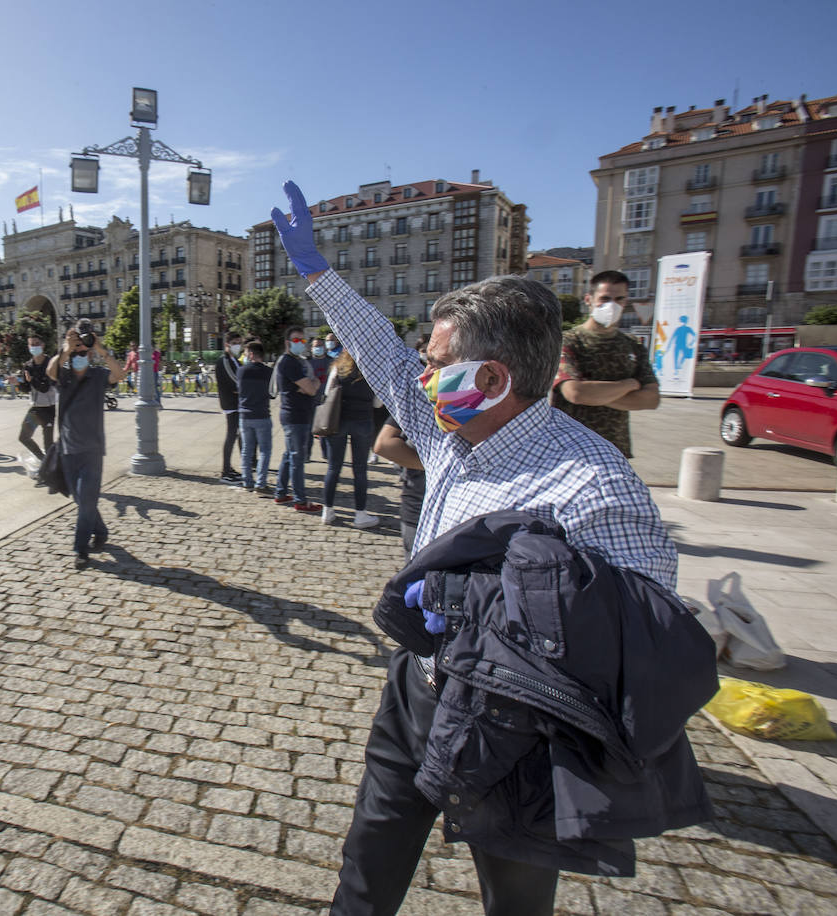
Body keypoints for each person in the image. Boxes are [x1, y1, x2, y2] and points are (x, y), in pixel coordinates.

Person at [271, 180, 682, 916]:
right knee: (367, 862)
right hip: (418, 689)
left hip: (515, 732)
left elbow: (644, 634)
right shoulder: (447, 431)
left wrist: (493, 606)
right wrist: (315, 272)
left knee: (515, 898)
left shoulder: (593, 486)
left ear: (492, 378)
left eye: (437, 364)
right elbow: (383, 358)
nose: (420, 379)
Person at [551, 270, 660, 457]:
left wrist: (595, 394)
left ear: (626, 302)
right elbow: (575, 393)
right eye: (605, 298)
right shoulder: (568, 342)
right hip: (570, 448)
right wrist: (629, 384)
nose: (612, 305)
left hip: (615, 449)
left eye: (619, 299)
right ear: (589, 299)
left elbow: (652, 399)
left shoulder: (632, 346)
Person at [47, 320, 127, 569]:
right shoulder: (65, 374)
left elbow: (120, 374)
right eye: (78, 351)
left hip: (92, 449)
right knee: (81, 500)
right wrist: (65, 349)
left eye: (85, 351)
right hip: (68, 450)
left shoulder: (98, 375)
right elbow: (50, 371)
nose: (81, 354)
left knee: (87, 501)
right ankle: (101, 531)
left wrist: (101, 350)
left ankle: (81, 549)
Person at [319, 347, 379, 528]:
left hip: (338, 421)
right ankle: (360, 514)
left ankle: (327, 511)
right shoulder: (372, 370)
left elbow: (328, 394)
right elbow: (378, 403)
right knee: (360, 470)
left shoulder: (338, 368)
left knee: (333, 468)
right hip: (362, 421)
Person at [272, 325, 322, 512]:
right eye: (296, 340)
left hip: (298, 414)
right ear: (287, 343)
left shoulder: (297, 361)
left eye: (303, 340)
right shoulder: (289, 363)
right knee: (297, 459)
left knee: (289, 455)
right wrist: (310, 385)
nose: (301, 344)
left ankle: (281, 492)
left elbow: (312, 384)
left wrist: (310, 385)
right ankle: (300, 500)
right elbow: (312, 387)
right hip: (295, 416)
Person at [374, 418, 426, 556]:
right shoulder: (420, 401)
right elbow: (384, 444)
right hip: (418, 509)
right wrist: (438, 467)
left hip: (417, 507)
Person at [237, 339, 274, 494]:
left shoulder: (241, 371)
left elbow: (240, 390)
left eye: (245, 353)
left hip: (245, 415)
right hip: (262, 414)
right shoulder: (268, 372)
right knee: (264, 450)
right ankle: (261, 482)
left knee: (247, 450)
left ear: (251, 354)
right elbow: (272, 393)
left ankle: (247, 481)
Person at [19, 334, 57, 465]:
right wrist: (17, 383)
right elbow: (26, 388)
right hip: (35, 409)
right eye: (31, 344)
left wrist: (32, 380)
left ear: (43, 345)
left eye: (36, 343)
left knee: (49, 444)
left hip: (48, 409)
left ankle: (49, 469)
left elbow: (45, 387)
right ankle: (44, 463)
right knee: (24, 437)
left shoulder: (50, 364)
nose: (34, 346)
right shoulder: (28, 365)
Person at [214, 331, 244, 482]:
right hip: (231, 403)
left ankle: (234, 468)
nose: (238, 346)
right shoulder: (224, 361)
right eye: (235, 343)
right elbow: (234, 381)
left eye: (239, 343)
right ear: (227, 344)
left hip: (238, 402)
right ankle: (225, 470)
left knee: (239, 435)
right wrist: (244, 388)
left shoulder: (236, 361)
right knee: (232, 435)